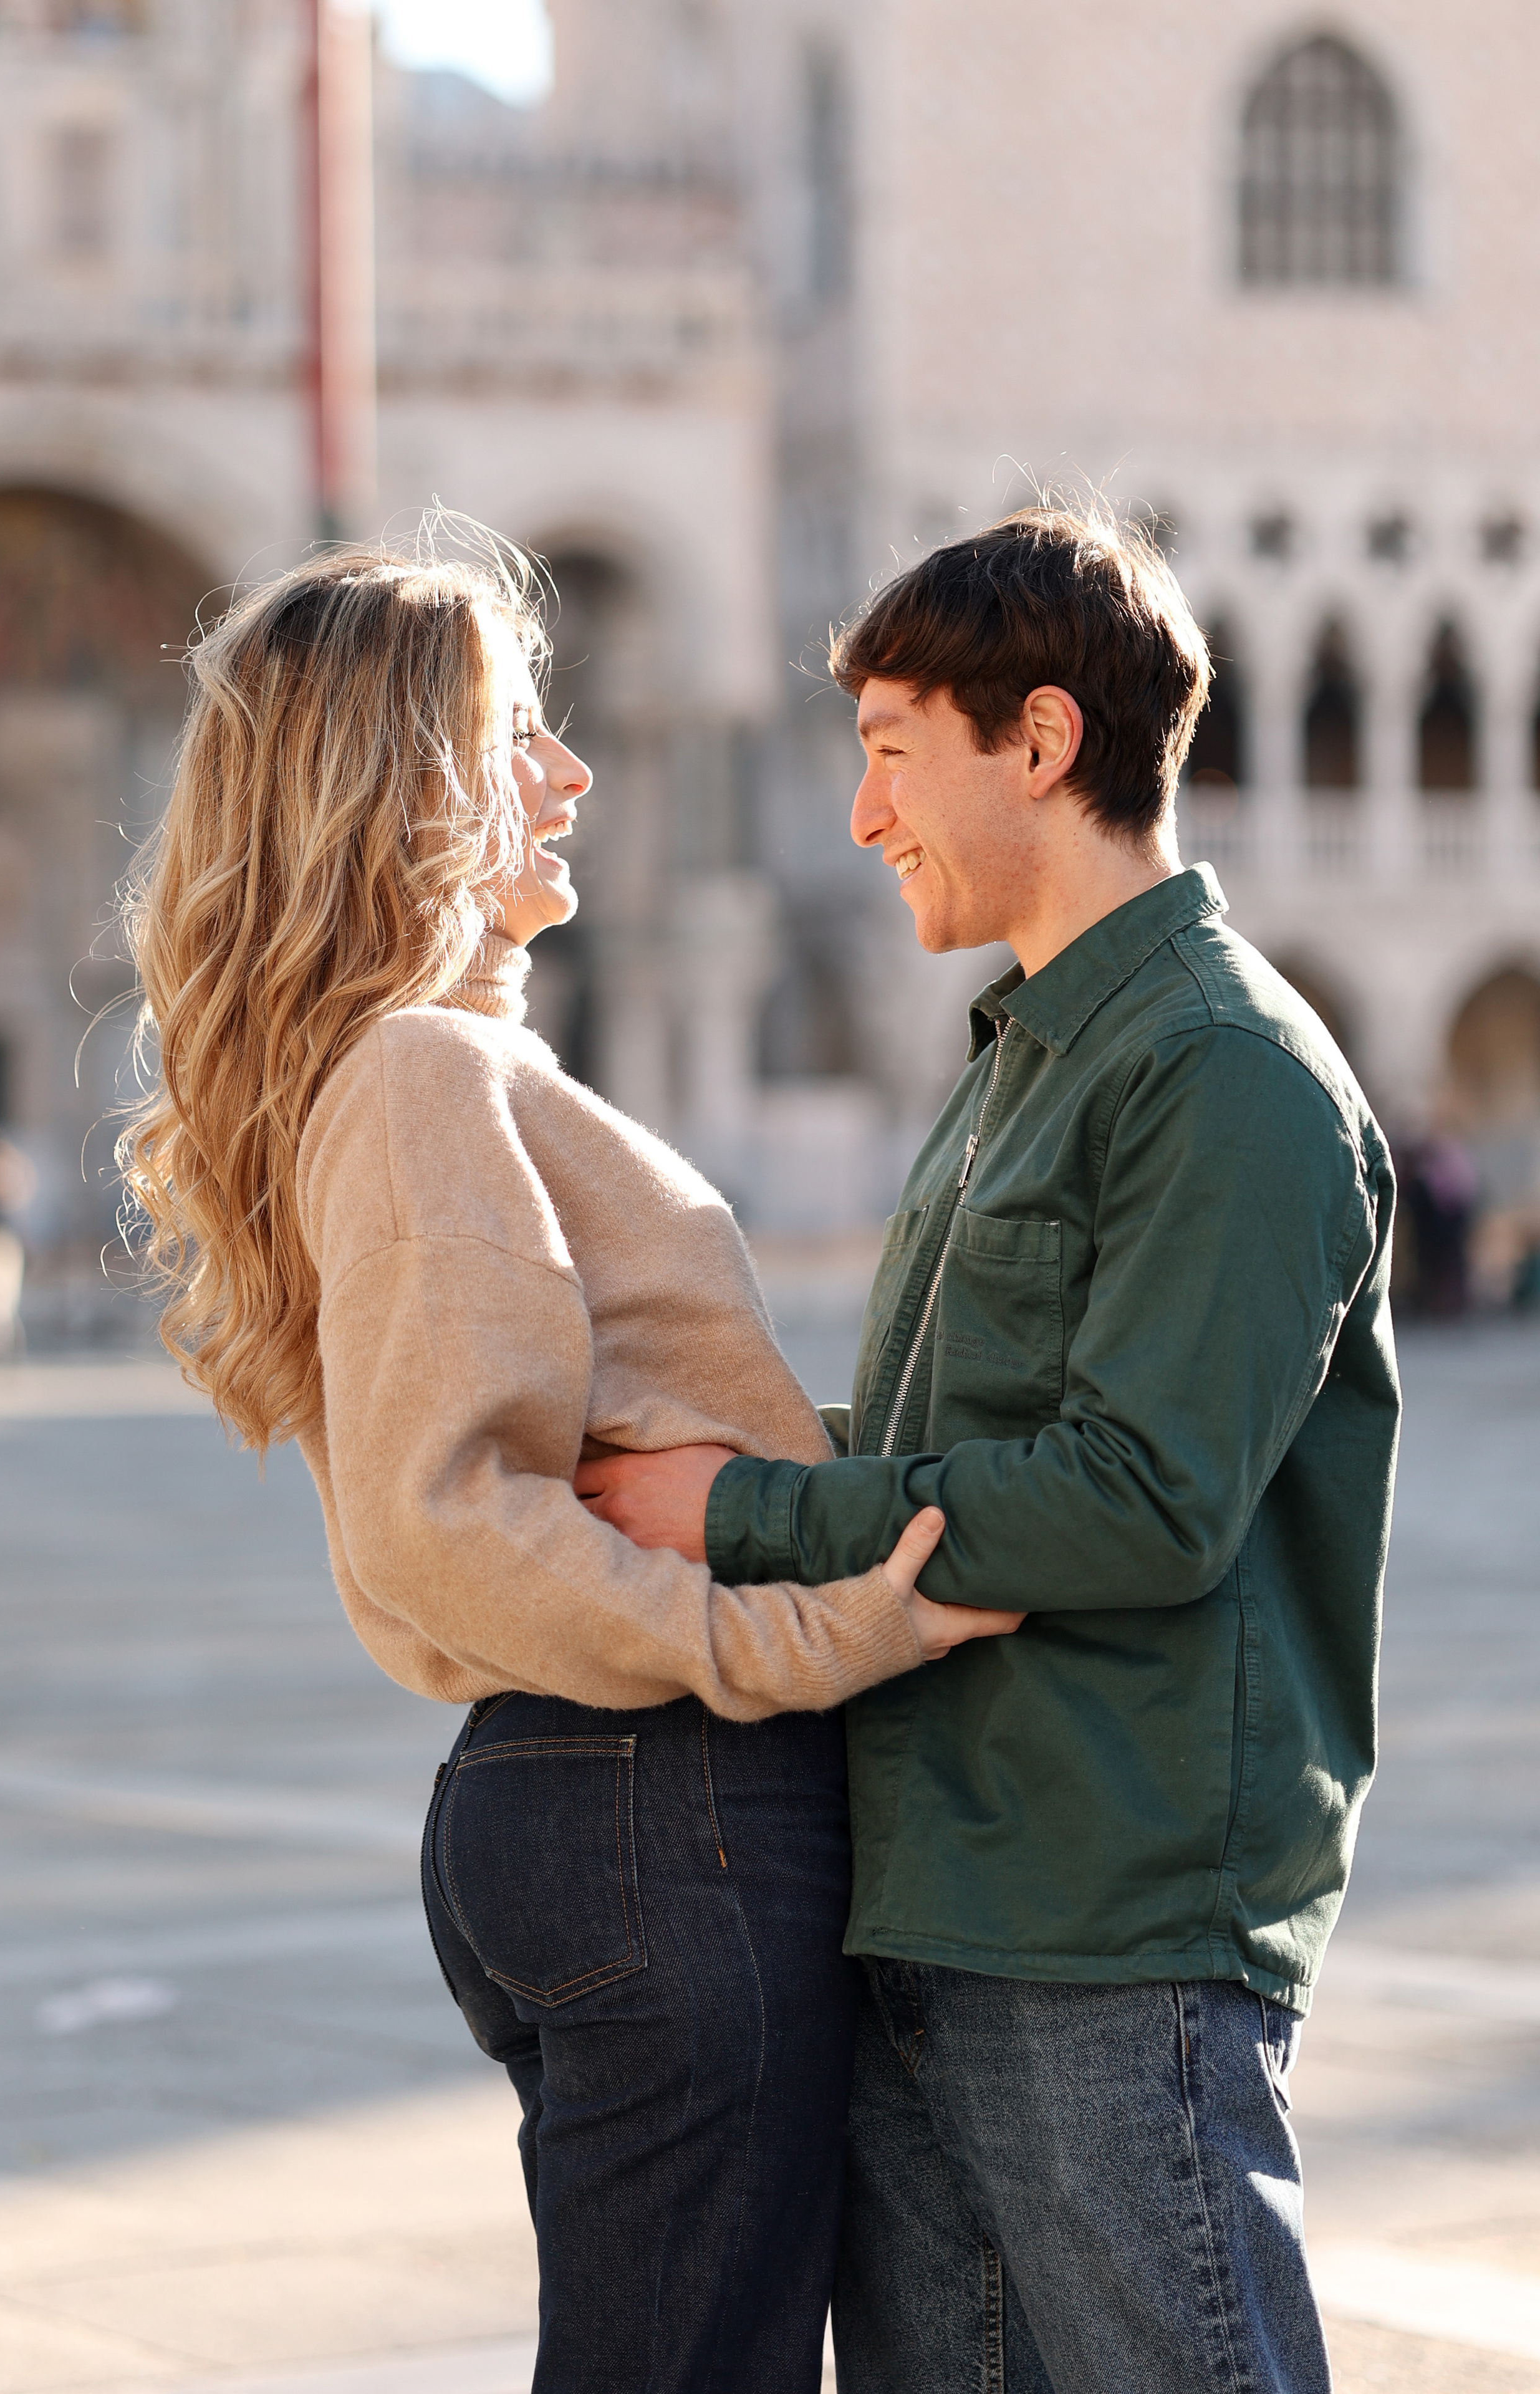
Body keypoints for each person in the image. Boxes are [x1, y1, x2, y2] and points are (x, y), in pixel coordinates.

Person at [116, 526, 1019, 2394]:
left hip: (611, 1809)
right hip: (655, 1798)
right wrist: (822, 1635)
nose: (575, 770)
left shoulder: (427, 1072)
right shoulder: (425, 1076)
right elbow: (450, 1521)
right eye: (521, 728)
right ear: (410, 780)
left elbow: (635, 1437)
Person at [576, 505, 1402, 2394]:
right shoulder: (1020, 1061)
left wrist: (752, 1510)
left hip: (1109, 1931)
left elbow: (1143, 1501)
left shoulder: (1229, 1074)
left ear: (1041, 742)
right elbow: (969, 1449)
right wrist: (716, 1453)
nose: (863, 817)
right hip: (931, 1898)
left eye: (888, 751)